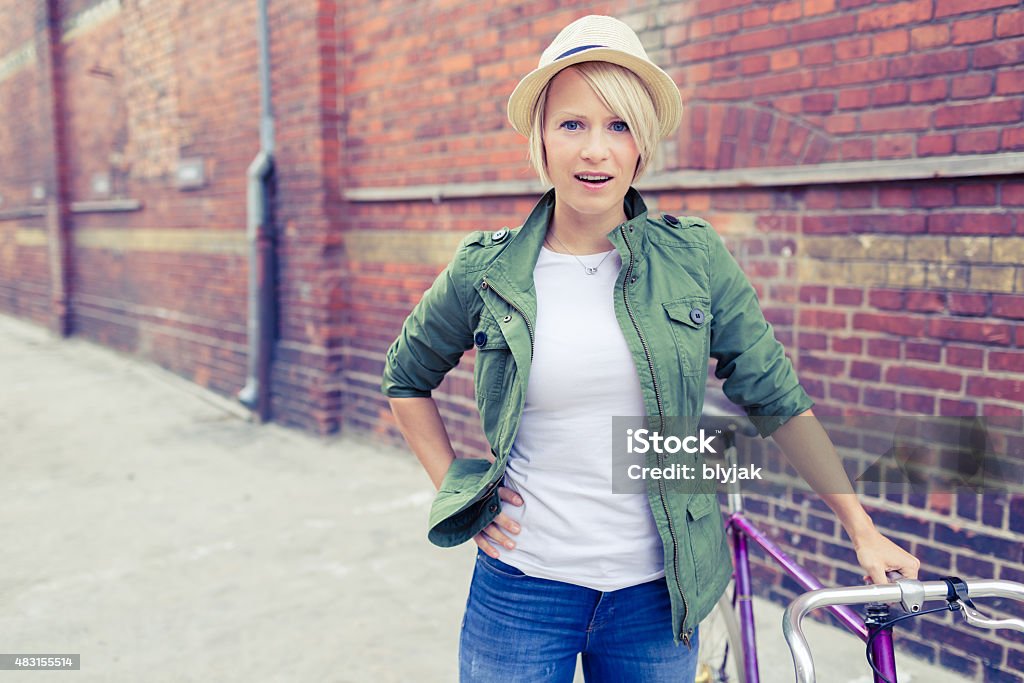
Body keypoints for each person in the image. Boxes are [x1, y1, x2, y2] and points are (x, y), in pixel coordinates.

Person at [381, 14, 920, 683]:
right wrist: (457, 489)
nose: (595, 150)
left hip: (657, 597)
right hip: (522, 587)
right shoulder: (485, 270)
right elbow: (406, 377)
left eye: (619, 125)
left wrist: (860, 526)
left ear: (642, 145)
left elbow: (776, 398)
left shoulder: (693, 256)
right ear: (541, 140)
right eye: (572, 124)